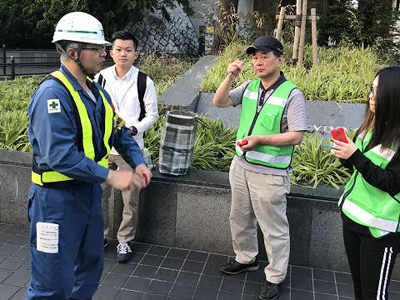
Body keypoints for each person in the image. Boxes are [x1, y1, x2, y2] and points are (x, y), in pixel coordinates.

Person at [26, 11, 151, 300]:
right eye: (96, 49)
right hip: (55, 202)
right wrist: (110, 175)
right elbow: (59, 156)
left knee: (90, 269)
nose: (105, 54)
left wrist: (139, 163)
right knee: (51, 283)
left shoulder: (98, 93)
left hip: (89, 197)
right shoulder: (51, 96)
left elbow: (120, 132)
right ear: (73, 52)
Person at [213, 35, 307, 300]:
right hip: (241, 165)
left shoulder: (292, 94)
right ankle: (245, 258)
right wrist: (230, 75)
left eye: (264, 56)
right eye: (255, 57)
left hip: (271, 174)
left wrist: (261, 140)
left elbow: (297, 135)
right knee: (239, 217)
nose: (258, 62)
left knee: (273, 227)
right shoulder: (250, 86)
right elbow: (218, 102)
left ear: (280, 59)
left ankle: (275, 276)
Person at [331, 66, 400, 300]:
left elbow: (392, 183)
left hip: (380, 231)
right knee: (360, 290)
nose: (371, 96)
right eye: (371, 89)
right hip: (352, 219)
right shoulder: (370, 126)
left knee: (374, 296)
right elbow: (358, 170)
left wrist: (355, 157)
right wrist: (346, 156)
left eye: (378, 91)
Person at [94, 30, 158, 263]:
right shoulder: (100, 78)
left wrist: (135, 129)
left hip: (131, 148)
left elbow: (153, 115)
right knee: (99, 194)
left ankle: (124, 241)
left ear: (136, 54)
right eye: (119, 49)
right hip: (103, 150)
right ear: (111, 52)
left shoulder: (144, 81)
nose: (123, 54)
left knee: (130, 198)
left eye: (128, 50)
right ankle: (100, 236)